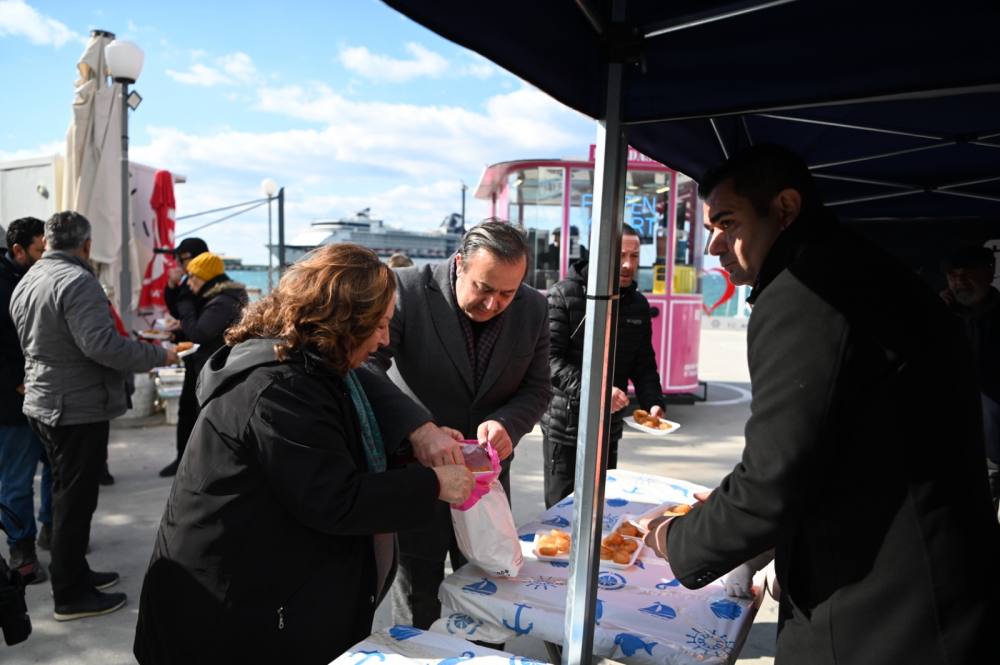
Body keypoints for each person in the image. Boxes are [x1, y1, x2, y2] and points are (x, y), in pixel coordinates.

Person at [643, 145, 1000, 663]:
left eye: (728, 222)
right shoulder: (849, 266)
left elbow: (774, 478)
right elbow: (828, 442)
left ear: (785, 208)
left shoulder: (808, 289)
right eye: (709, 228)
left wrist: (676, 538)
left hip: (889, 610)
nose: (715, 244)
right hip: (931, 587)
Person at [133, 243, 474, 665]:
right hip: (228, 617)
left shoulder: (312, 367)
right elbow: (334, 498)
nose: (385, 338)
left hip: (265, 597)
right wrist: (433, 484)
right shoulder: (280, 388)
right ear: (343, 324)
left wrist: (411, 448)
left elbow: (334, 445)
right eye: (380, 325)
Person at [368, 220, 552, 629]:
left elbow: (538, 387)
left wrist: (508, 423)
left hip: (487, 483)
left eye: (508, 293)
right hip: (417, 472)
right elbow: (365, 366)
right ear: (459, 264)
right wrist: (418, 428)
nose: (494, 304)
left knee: (491, 599)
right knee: (418, 596)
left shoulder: (534, 307)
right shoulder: (407, 290)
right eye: (484, 289)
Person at [9, 211, 176, 621]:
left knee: (67, 494)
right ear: (85, 246)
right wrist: (161, 355)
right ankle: (70, 593)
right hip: (74, 407)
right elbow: (102, 346)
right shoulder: (77, 281)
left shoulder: (28, 277)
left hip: (47, 401)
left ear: (46, 241)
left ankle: (76, 573)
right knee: (74, 502)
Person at [541, 224, 666, 507]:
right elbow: (549, 361)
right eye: (621, 255)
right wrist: (598, 390)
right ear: (599, 253)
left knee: (601, 508)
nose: (628, 264)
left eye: (635, 256)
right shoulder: (563, 294)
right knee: (561, 513)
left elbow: (644, 363)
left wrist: (653, 402)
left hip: (608, 426)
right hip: (566, 427)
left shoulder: (637, 304)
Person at [158, 252, 248, 478]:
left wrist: (186, 304)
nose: (190, 284)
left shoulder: (223, 300)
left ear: (209, 279)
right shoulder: (216, 296)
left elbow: (200, 332)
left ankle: (206, 470)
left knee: (208, 423)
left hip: (216, 370)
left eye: (195, 279)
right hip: (207, 367)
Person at [0, 217, 52, 584]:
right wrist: (14, 381)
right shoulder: (5, 282)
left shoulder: (32, 278)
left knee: (55, 468)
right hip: (12, 401)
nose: (44, 256)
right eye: (38, 251)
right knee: (17, 480)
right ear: (17, 250)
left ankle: (51, 529)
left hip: (43, 394)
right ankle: (23, 550)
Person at [941, 244, 1000, 514]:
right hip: (950, 448)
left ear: (990, 273)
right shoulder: (938, 316)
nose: (959, 282)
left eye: (967, 273)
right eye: (953, 275)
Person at [163, 236, 209, 320]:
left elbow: (179, 313)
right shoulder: (190, 279)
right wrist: (172, 284)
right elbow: (177, 312)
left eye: (179, 258)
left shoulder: (198, 282)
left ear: (189, 257)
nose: (176, 262)